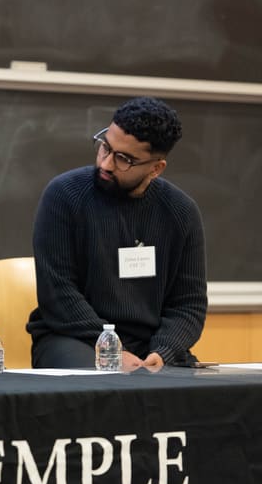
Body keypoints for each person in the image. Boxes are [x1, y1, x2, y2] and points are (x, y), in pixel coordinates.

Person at [27, 96, 207, 369]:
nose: (107, 164)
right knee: (106, 383)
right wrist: (112, 348)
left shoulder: (181, 212)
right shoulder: (64, 195)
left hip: (151, 345)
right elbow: (58, 293)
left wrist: (164, 352)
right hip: (74, 338)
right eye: (105, 147)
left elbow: (189, 304)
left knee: (196, 395)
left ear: (156, 168)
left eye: (124, 159)